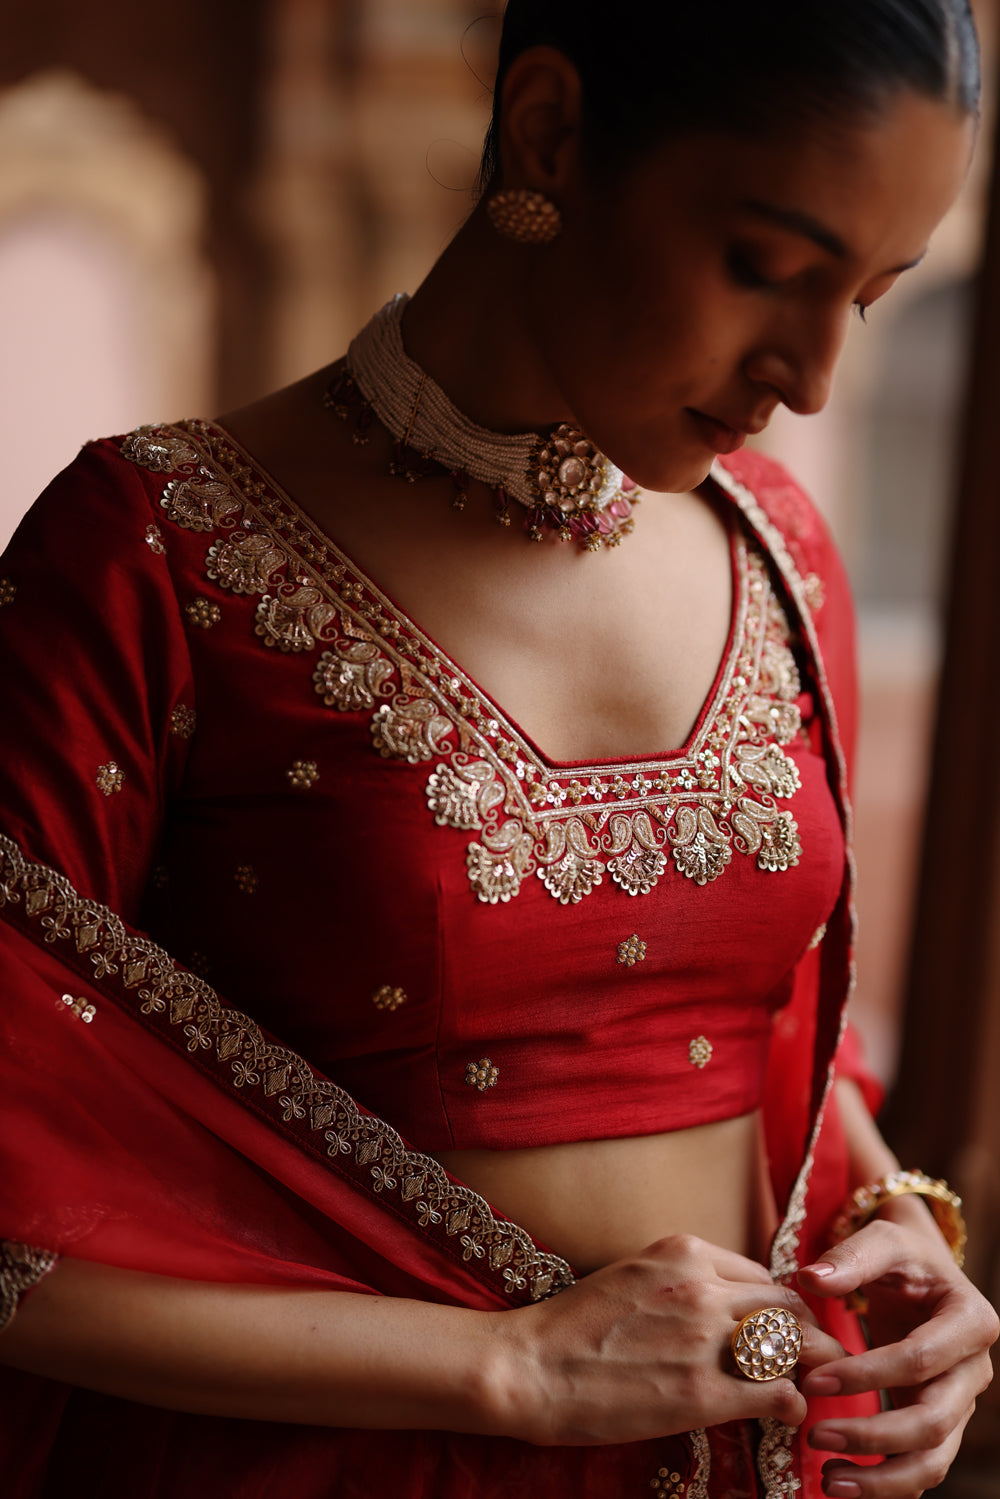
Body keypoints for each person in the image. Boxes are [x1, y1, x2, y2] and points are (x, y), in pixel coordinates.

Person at [0, 2, 996, 1494]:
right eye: (769, 271)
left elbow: (780, 1022)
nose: (810, 379)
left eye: (864, 298)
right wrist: (515, 1369)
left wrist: (902, 1232)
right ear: (548, 130)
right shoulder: (153, 553)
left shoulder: (780, 551)